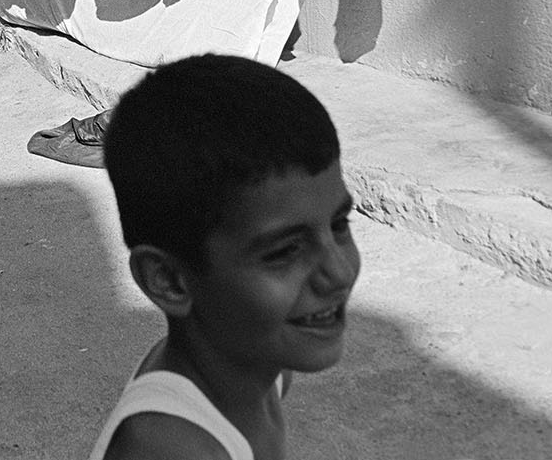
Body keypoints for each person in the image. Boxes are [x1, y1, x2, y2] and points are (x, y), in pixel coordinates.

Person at [90, 54, 360, 460]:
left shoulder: (255, 363)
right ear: (169, 280)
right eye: (285, 251)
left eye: (339, 224)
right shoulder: (170, 448)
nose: (339, 272)